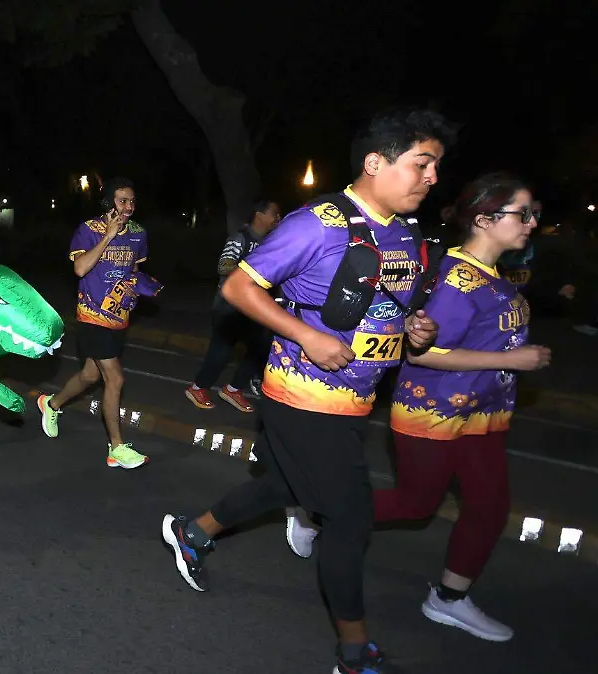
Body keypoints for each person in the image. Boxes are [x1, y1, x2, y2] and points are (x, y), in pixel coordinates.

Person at [160, 108, 453, 674]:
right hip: (304, 394)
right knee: (349, 518)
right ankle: (354, 653)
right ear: (375, 163)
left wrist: (417, 328)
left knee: (282, 486)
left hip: (357, 398)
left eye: (437, 166)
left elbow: (391, 306)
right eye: (422, 164)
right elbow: (239, 286)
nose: (432, 177)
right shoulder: (316, 224)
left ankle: (193, 533)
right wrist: (307, 336)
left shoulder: (408, 236)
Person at [290, 174, 549, 642]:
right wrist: (510, 359)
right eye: (522, 213)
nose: (531, 223)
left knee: (490, 506)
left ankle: (448, 599)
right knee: (416, 503)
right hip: (433, 414)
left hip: (484, 413)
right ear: (485, 219)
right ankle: (318, 511)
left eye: (535, 214)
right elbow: (421, 353)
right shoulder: (458, 277)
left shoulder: (496, 276)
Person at [36, 178, 157, 469]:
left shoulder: (139, 233)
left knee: (90, 376)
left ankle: (51, 404)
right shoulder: (89, 230)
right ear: (108, 203)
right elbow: (80, 268)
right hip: (91, 315)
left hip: (118, 315)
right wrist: (108, 236)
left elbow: (134, 268)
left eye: (132, 201)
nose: (128, 207)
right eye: (122, 201)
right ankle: (116, 447)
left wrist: (137, 289)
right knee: (115, 379)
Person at [184, 198, 280, 412]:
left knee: (262, 347)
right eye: (274, 213)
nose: (277, 218)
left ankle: (232, 389)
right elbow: (223, 265)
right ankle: (199, 388)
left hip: (252, 307)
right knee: (223, 350)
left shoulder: (268, 242)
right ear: (259, 215)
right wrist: (252, 273)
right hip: (230, 305)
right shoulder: (241, 238)